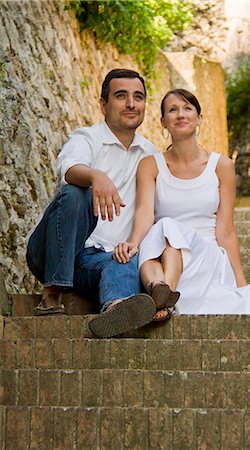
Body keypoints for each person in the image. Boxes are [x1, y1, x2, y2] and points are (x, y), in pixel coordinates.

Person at [113, 88, 250, 319]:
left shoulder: (222, 166)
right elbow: (145, 213)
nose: (180, 114)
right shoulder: (150, 165)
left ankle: (161, 300)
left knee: (166, 226)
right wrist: (133, 243)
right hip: (168, 262)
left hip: (205, 258)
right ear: (163, 122)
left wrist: (240, 283)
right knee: (155, 240)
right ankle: (161, 293)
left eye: (188, 108)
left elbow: (226, 230)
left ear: (199, 119)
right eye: (173, 110)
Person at [26, 68, 159, 338]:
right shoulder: (87, 138)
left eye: (138, 97)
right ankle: (52, 293)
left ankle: (116, 309)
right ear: (103, 105)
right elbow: (68, 168)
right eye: (121, 96)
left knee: (126, 258)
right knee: (76, 191)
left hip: (101, 262)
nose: (131, 104)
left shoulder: (151, 155)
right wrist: (95, 176)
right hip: (55, 253)